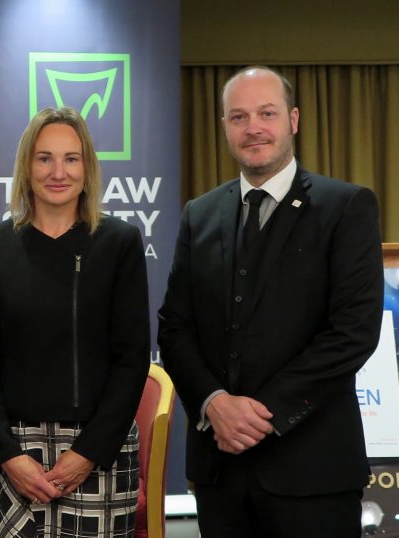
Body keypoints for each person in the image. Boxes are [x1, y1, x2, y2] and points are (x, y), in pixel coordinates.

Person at [158, 66, 384, 537]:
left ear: (293, 119)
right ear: (224, 127)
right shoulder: (199, 215)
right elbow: (175, 327)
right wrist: (213, 403)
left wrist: (260, 416)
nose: (253, 127)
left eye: (267, 113)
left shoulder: (346, 207)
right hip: (220, 471)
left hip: (313, 471)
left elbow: (353, 331)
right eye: (238, 116)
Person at [0, 106, 149, 537]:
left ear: (87, 167)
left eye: (71, 158)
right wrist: (8, 456)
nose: (57, 171)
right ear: (27, 167)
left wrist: (88, 452)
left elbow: (132, 358)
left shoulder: (119, 242)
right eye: (44, 157)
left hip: (101, 448)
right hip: (18, 453)